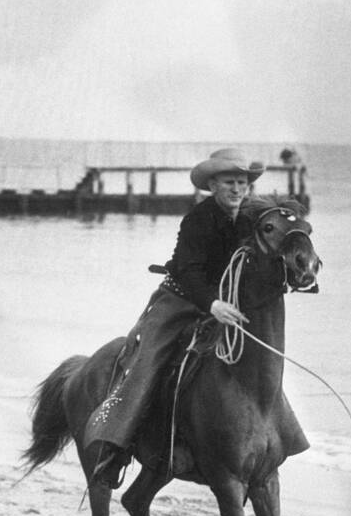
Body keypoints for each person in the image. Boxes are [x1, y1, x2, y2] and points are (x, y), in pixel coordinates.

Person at [84, 147, 266, 488]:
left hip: (229, 303)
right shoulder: (198, 219)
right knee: (150, 361)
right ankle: (116, 447)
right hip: (181, 301)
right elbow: (188, 270)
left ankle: (273, 439)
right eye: (229, 182)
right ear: (213, 184)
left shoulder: (252, 217)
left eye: (242, 182)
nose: (237, 189)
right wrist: (212, 304)